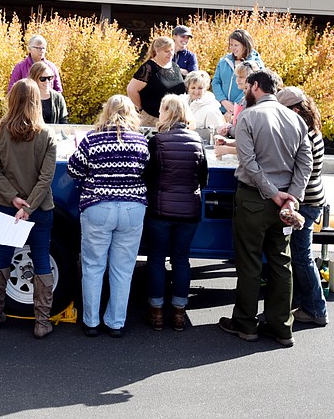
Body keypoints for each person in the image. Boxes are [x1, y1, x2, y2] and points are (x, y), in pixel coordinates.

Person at [218, 69, 312, 348]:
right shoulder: (296, 119)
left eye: (247, 85)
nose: (245, 90)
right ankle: (282, 327)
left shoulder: (248, 116)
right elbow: (305, 163)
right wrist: (292, 197)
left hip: (254, 200)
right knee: (281, 262)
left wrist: (273, 194)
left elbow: (248, 162)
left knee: (249, 263)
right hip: (285, 205)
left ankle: (246, 324)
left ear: (256, 86)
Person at [66, 94, 149, 338]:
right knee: (123, 269)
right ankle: (116, 323)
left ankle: (91, 322)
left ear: (106, 112)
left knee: (93, 266)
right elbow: (146, 170)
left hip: (98, 206)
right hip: (132, 208)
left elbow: (73, 169)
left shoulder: (92, 139)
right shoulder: (140, 141)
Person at [0, 79, 59, 338]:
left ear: (11, 99)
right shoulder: (47, 134)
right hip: (40, 208)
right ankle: (41, 321)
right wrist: (30, 205)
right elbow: (46, 178)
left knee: (1, 257)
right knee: (41, 259)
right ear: (36, 101)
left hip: (7, 207)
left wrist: (14, 198)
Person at [144, 94, 208, 332]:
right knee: (181, 260)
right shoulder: (196, 140)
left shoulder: (157, 141)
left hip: (160, 212)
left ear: (168, 112)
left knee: (157, 259)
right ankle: (179, 312)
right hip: (189, 212)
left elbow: (147, 175)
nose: (159, 114)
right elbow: (204, 177)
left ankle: (157, 311)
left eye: (161, 110)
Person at [277, 86, 330, 327]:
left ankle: (316, 309)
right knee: (299, 255)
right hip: (313, 199)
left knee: (301, 257)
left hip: (305, 202)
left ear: (296, 110)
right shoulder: (312, 130)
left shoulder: (304, 135)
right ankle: (298, 301)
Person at [127, 36, 186, 127]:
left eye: (172, 50)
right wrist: (141, 109)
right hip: (152, 120)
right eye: (166, 51)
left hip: (175, 121)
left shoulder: (175, 67)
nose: (170, 54)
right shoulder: (148, 68)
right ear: (157, 51)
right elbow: (131, 90)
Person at [211, 29, 264, 116]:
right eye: (231, 45)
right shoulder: (224, 61)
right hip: (221, 109)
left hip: (244, 110)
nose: (232, 48)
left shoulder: (256, 65)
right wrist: (223, 101)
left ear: (245, 45)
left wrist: (234, 108)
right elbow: (216, 82)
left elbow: (252, 88)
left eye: (236, 45)